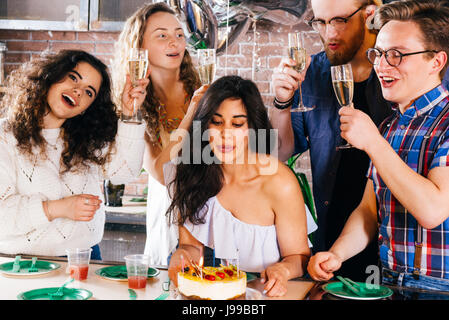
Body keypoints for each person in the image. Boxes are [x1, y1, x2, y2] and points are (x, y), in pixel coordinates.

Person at [307, 0, 449, 294]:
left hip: (439, 288)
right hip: (388, 282)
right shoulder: (389, 126)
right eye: (380, 53)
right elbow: (369, 211)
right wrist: (337, 254)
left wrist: (373, 142)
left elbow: (432, 211)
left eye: (397, 55)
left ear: (436, 61)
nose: (382, 65)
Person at [270, 0, 391, 281]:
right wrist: (280, 102)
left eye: (339, 20)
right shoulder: (310, 72)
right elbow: (278, 153)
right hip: (333, 238)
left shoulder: (397, 70)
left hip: (394, 238)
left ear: (369, 13)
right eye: (320, 22)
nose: (329, 34)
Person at [165, 76, 315, 297]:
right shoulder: (193, 173)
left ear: (253, 127)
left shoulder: (279, 182)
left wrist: (282, 269)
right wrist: (181, 256)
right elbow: (190, 246)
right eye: (216, 122)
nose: (225, 134)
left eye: (237, 124)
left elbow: (299, 258)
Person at [0, 50, 148, 259]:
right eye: (73, 78)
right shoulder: (5, 136)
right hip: (21, 267)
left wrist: (130, 113)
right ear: (50, 76)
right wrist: (57, 209)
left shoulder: (87, 139)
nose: (78, 91)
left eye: (89, 92)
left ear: (86, 108)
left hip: (84, 260)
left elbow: (126, 172)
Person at [111, 2, 201, 266]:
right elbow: (163, 173)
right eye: (161, 35)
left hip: (218, 220)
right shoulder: (133, 106)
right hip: (171, 226)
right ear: (139, 46)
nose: (174, 42)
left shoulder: (207, 88)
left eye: (179, 34)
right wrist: (190, 115)